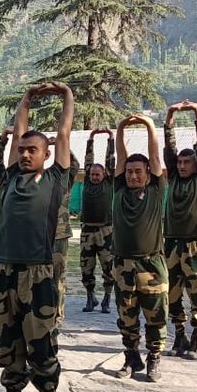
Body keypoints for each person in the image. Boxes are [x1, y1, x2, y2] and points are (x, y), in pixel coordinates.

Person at [0, 82, 73, 392]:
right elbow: (17, 132)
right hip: (5, 272)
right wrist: (24, 100)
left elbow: (64, 131)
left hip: (40, 275)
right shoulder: (10, 177)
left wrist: (66, 96)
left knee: (42, 352)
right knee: (9, 351)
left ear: (46, 154)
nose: (25, 154)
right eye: (22, 149)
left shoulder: (57, 178)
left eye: (32, 150)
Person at [111, 113, 168, 383]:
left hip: (151, 265)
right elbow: (120, 158)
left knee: (155, 316)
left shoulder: (156, 191)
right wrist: (121, 128)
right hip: (122, 265)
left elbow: (156, 158)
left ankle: (154, 357)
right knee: (127, 316)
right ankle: (131, 356)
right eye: (130, 171)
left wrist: (148, 125)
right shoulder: (120, 190)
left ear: (148, 175)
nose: (133, 175)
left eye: (138, 172)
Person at [162, 100, 197, 360]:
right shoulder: (172, 177)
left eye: (186, 162)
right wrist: (169, 116)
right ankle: (179, 335)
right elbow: (168, 150)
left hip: (194, 244)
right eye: (179, 162)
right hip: (170, 243)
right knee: (171, 292)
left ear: (195, 165)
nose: (181, 165)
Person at [79, 129, 115, 313]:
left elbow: (111, 160)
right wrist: (91, 139)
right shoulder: (86, 181)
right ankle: (90, 297)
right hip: (87, 232)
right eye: (92, 174)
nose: (93, 177)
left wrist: (111, 138)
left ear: (103, 175)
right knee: (86, 267)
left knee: (108, 267)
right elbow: (88, 160)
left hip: (105, 231)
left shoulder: (108, 183)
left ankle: (107, 299)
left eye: (97, 175)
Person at [50, 136, 79, 330]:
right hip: (38, 236)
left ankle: (57, 318)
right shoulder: (39, 179)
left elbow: (75, 164)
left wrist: (63, 146)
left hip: (59, 235)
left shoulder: (64, 181)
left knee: (57, 278)